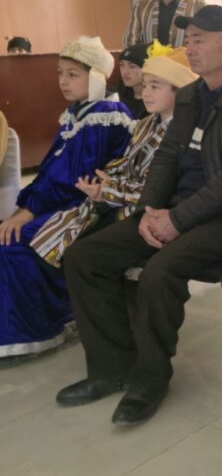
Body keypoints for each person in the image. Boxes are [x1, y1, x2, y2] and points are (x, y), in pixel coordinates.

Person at [57, 6, 222, 425]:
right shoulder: (192, 94)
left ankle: (150, 379)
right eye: (188, 39)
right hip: (173, 209)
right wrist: (148, 210)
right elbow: (167, 156)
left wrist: (176, 221)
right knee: (85, 257)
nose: (189, 47)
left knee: (160, 271)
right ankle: (110, 368)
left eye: (199, 39)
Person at [0, 38, 133, 361]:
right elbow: (50, 170)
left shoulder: (106, 115)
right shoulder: (79, 112)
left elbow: (72, 178)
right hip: (64, 201)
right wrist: (26, 205)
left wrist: (28, 212)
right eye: (60, 73)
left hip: (89, 206)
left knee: (15, 244)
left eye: (73, 74)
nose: (63, 81)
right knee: (9, 232)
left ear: (97, 77)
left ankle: (41, 327)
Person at [31, 44, 196, 267]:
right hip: (120, 198)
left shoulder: (182, 132)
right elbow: (126, 164)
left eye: (154, 87)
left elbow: (158, 187)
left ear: (181, 91)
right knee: (53, 237)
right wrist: (106, 181)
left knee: (78, 254)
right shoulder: (147, 123)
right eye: (145, 85)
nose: (146, 93)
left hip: (145, 210)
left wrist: (108, 189)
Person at [115, 42, 151, 118]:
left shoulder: (156, 99)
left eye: (132, 66)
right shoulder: (115, 94)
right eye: (122, 65)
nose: (125, 72)